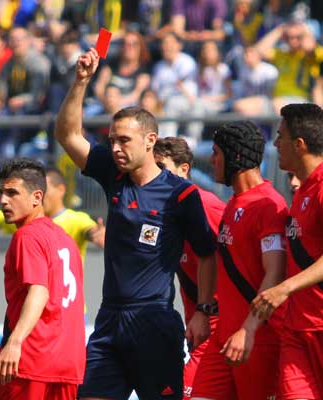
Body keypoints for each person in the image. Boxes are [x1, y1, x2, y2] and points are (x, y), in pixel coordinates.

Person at [56, 47, 218, 400]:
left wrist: (203, 310)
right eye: (112, 139)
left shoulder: (181, 194)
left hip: (154, 321)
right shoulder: (115, 176)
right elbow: (68, 136)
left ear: (150, 141)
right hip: (109, 320)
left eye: (123, 140)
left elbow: (207, 254)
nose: (115, 147)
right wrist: (81, 82)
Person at [190, 121, 287, 400]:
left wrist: (248, 330)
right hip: (223, 338)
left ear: (235, 157)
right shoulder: (234, 201)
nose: (211, 160)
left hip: (257, 339)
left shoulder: (269, 205)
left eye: (217, 153)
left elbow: (275, 273)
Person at [0, 158, 86, 400]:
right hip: (67, 362)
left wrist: (15, 342)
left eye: (12, 193)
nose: (3, 200)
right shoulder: (65, 239)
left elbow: (39, 291)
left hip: (32, 360)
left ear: (36, 197)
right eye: (1, 192)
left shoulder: (27, 236)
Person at [252, 103, 323, 400]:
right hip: (297, 332)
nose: (275, 144)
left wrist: (284, 288)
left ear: (300, 144)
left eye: (280, 137)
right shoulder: (303, 190)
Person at [153, 137, 225, 400]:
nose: (155, 177)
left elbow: (235, 260)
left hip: (219, 324)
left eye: (161, 168)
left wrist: (204, 312)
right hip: (199, 324)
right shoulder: (163, 210)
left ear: (184, 169)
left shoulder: (206, 205)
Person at [0, 166, 105, 260]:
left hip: (68, 311)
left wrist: (97, 234)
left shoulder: (76, 220)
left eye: (44, 189)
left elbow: (91, 231)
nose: (39, 195)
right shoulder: (26, 221)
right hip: (40, 312)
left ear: (61, 190)